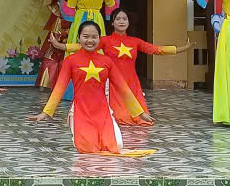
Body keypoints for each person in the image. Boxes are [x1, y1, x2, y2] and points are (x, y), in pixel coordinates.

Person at [27, 20, 153, 157]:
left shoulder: (106, 61)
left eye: (94, 37)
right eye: (85, 36)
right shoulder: (70, 60)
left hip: (103, 112)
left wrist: (139, 113)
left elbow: (123, 88)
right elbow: (59, 88)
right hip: (80, 111)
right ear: (78, 38)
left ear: (99, 39)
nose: (90, 41)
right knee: (87, 148)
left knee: (115, 146)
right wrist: (46, 112)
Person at [51, 9, 189, 126]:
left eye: (124, 19)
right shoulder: (105, 40)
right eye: (118, 19)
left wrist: (181, 49)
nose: (121, 21)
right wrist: (60, 46)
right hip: (113, 83)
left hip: (132, 83)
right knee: (118, 118)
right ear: (112, 22)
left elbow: (157, 50)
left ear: (128, 22)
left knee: (141, 120)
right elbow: (83, 46)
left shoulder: (135, 41)